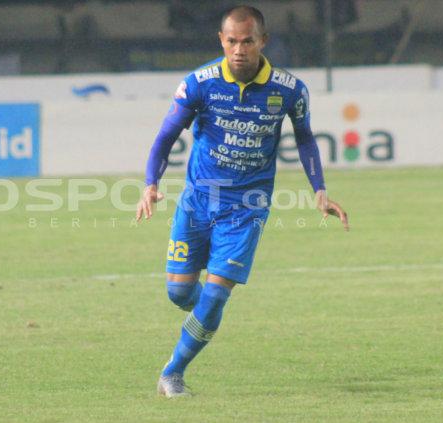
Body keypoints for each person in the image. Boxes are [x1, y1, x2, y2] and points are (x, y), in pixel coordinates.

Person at [135, 5, 349, 398]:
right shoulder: (200, 83)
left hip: (246, 208)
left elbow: (304, 137)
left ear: (262, 41)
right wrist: (151, 183)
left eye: (247, 41)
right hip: (198, 202)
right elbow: (166, 135)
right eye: (231, 41)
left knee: (215, 294)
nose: (239, 49)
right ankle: (207, 316)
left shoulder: (288, 89)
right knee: (180, 294)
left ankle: (172, 373)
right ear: (221, 40)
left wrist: (319, 190)